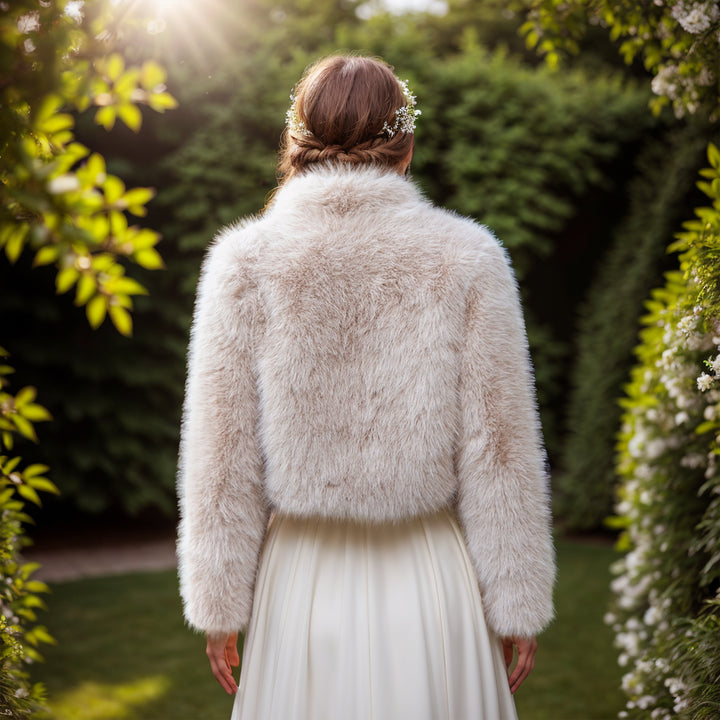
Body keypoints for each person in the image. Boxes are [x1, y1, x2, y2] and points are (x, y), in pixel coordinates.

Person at [177, 55, 556, 720]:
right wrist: (516, 599)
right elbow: (498, 447)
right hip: (431, 580)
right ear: (405, 146)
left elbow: (222, 454)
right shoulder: (467, 258)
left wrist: (219, 601)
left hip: (301, 582)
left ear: (295, 142)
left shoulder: (244, 262)